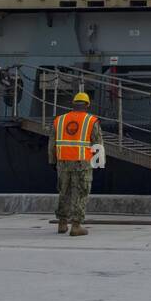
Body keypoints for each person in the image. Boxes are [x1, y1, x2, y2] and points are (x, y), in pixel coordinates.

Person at [48, 90, 103, 236]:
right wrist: (98, 163)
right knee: (80, 193)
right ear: (87, 105)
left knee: (63, 192)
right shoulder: (91, 120)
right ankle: (76, 226)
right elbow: (98, 144)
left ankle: (62, 223)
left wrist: (52, 161)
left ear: (73, 104)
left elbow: (52, 143)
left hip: (63, 163)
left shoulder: (59, 120)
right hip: (82, 164)